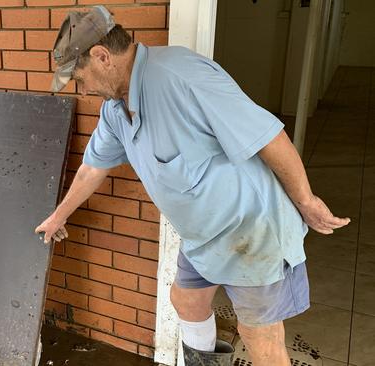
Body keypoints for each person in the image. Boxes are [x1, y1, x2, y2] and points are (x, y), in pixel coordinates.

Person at [34, 6, 350, 366]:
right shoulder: (115, 109)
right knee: (187, 300)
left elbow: (270, 137)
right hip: (203, 236)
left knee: (260, 337)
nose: (83, 89)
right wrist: (60, 216)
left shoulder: (181, 76)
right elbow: (93, 167)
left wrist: (306, 201)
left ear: (102, 56)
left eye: (79, 78)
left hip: (251, 228)